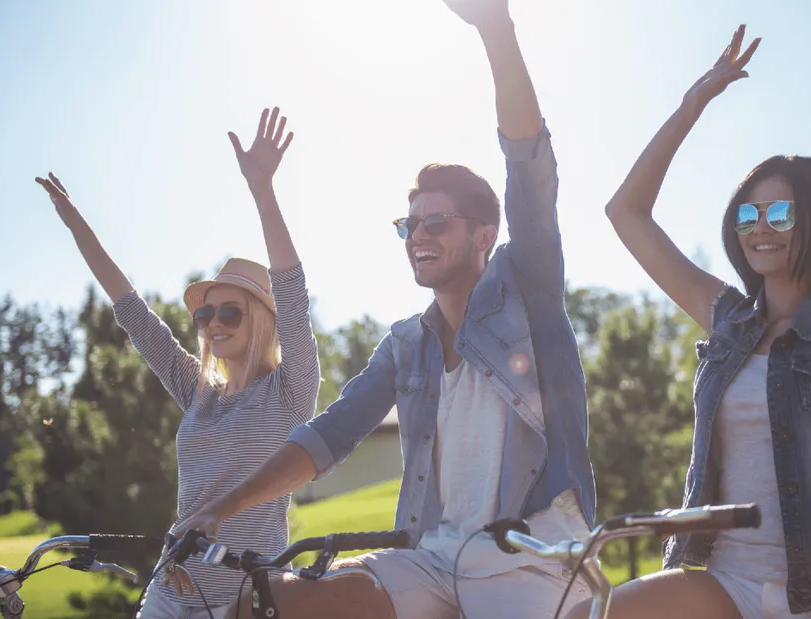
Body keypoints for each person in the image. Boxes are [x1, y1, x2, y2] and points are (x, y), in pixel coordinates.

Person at [171, 2, 596, 618]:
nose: (419, 234)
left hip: (529, 555)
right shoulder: (407, 345)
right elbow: (328, 436)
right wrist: (219, 508)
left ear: (484, 234)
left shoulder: (527, 286)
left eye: (437, 221)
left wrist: (496, 30)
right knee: (263, 608)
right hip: (430, 556)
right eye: (410, 224)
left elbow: (530, 164)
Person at [582, 25, 811, 619]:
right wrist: (693, 103)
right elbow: (625, 213)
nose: (760, 226)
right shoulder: (727, 318)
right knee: (590, 614)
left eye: (780, 213)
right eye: (748, 213)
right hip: (727, 580)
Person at [35, 106, 320, 618]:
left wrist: (262, 190)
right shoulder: (198, 391)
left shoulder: (289, 390)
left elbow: (293, 295)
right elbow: (133, 314)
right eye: (206, 314)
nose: (213, 322)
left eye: (229, 310)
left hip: (248, 596)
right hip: (174, 586)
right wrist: (77, 225)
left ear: (264, 319)